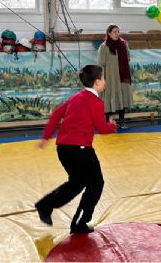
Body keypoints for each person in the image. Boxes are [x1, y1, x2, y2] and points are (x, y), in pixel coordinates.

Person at [35, 65, 116, 234]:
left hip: (63, 149)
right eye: (103, 78)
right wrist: (112, 126)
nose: (105, 81)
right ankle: (79, 223)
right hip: (80, 150)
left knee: (77, 182)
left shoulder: (75, 98)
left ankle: (45, 205)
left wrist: (46, 137)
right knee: (96, 183)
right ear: (97, 82)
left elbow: (56, 114)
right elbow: (102, 128)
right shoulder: (96, 102)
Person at [98, 25, 133, 129]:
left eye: (118, 31)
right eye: (114, 32)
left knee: (122, 97)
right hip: (110, 77)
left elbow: (128, 57)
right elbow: (101, 63)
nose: (117, 33)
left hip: (122, 77)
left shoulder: (123, 44)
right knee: (108, 98)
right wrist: (102, 78)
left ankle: (121, 122)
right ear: (109, 33)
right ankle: (106, 124)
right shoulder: (104, 46)